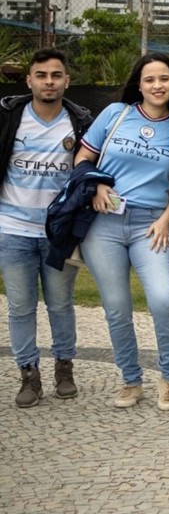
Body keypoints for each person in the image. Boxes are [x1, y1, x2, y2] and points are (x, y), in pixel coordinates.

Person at [75, 53, 169, 411]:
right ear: (138, 85)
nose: (158, 86)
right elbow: (82, 158)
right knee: (116, 307)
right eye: (150, 80)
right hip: (104, 223)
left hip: (151, 224)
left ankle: (168, 377)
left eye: (165, 79)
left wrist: (165, 221)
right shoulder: (115, 115)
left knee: (163, 299)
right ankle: (130, 380)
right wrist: (95, 188)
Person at [0, 49, 92, 408]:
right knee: (20, 306)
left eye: (56, 75)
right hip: (12, 229)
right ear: (29, 81)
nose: (49, 81)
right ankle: (28, 373)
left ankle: (64, 367)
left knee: (60, 304)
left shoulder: (80, 121)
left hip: (58, 234)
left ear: (67, 80)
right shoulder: (9, 117)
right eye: (41, 75)